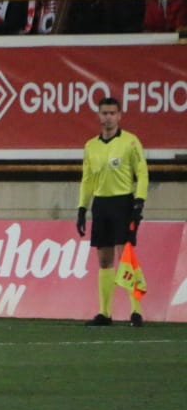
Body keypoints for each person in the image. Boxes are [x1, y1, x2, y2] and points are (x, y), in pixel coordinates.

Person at [77, 96, 149, 327]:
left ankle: (136, 311)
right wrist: (82, 208)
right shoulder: (91, 146)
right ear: (99, 115)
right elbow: (87, 180)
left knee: (125, 254)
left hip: (123, 202)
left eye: (112, 113)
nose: (108, 117)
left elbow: (143, 173)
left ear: (119, 116)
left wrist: (139, 201)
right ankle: (105, 313)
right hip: (101, 204)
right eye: (104, 113)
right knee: (104, 259)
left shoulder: (130, 142)